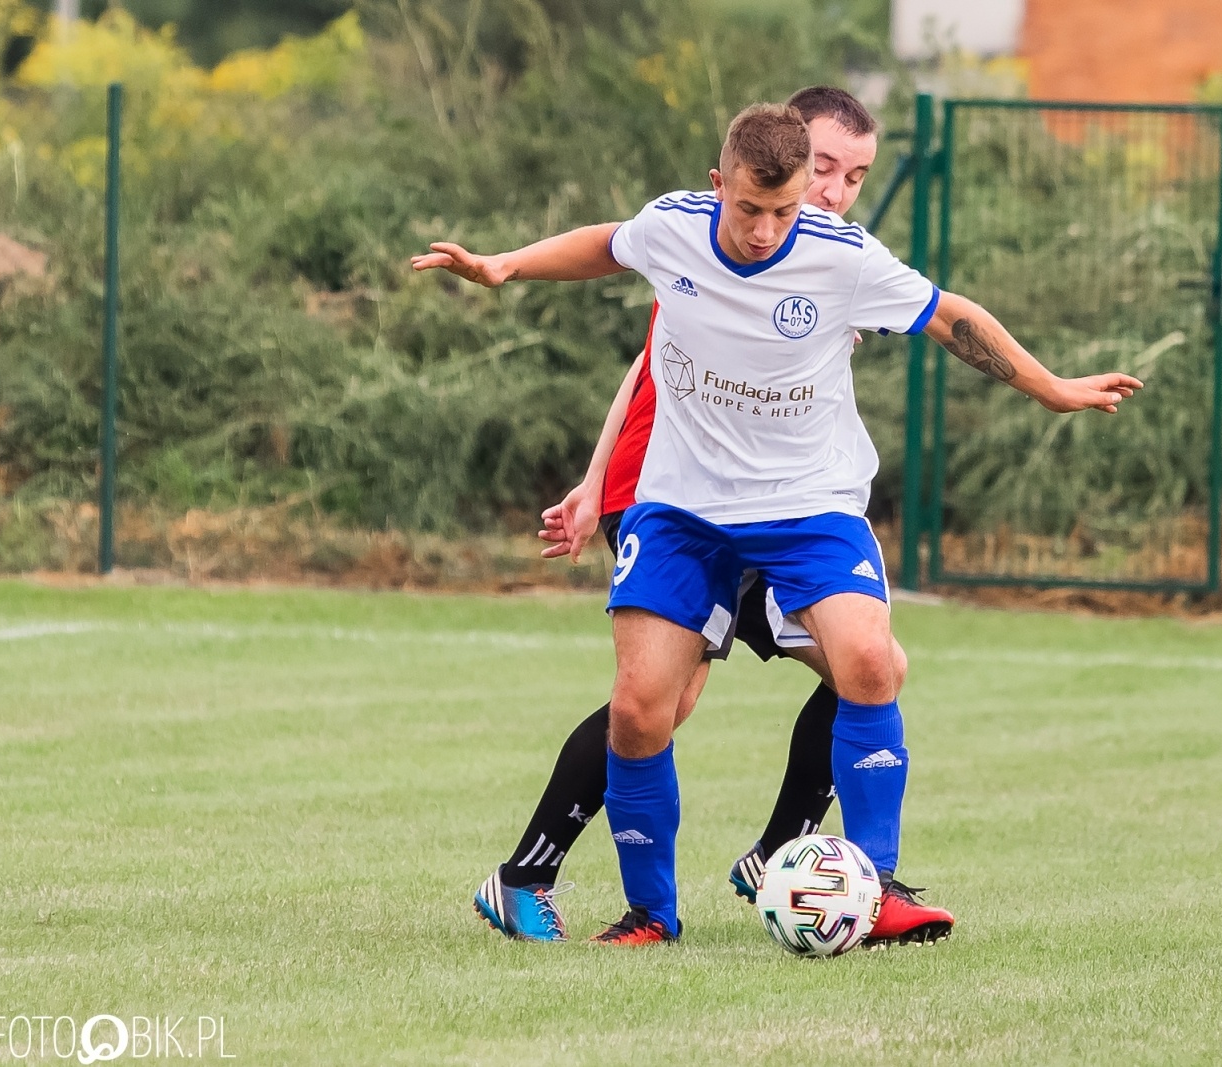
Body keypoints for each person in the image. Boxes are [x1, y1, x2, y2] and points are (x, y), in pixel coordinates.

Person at [412, 102, 1140, 946]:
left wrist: (1050, 385)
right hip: (683, 510)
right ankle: (651, 914)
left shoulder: (845, 257)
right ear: (718, 185)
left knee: (869, 660)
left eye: (787, 210)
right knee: (644, 708)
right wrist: (504, 266)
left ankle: (872, 891)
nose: (766, 231)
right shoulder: (675, 229)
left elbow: (948, 314)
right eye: (750, 209)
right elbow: (608, 243)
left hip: (808, 507)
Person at [458, 87, 943, 948]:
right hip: (676, 485)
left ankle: (782, 856)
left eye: (852, 177)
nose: (834, 191)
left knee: (862, 662)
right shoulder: (710, 235)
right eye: (824, 167)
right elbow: (651, 356)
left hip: (766, 497)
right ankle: (541, 872)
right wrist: (598, 476)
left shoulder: (822, 248)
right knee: (662, 697)